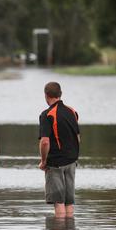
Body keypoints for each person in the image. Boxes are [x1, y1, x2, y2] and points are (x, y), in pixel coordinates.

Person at [38, 82, 80, 218]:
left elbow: (45, 142)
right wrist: (74, 157)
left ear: (46, 95)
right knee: (69, 202)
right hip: (72, 161)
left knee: (59, 202)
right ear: (60, 94)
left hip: (55, 163)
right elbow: (78, 137)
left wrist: (43, 161)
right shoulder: (72, 112)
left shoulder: (47, 114)